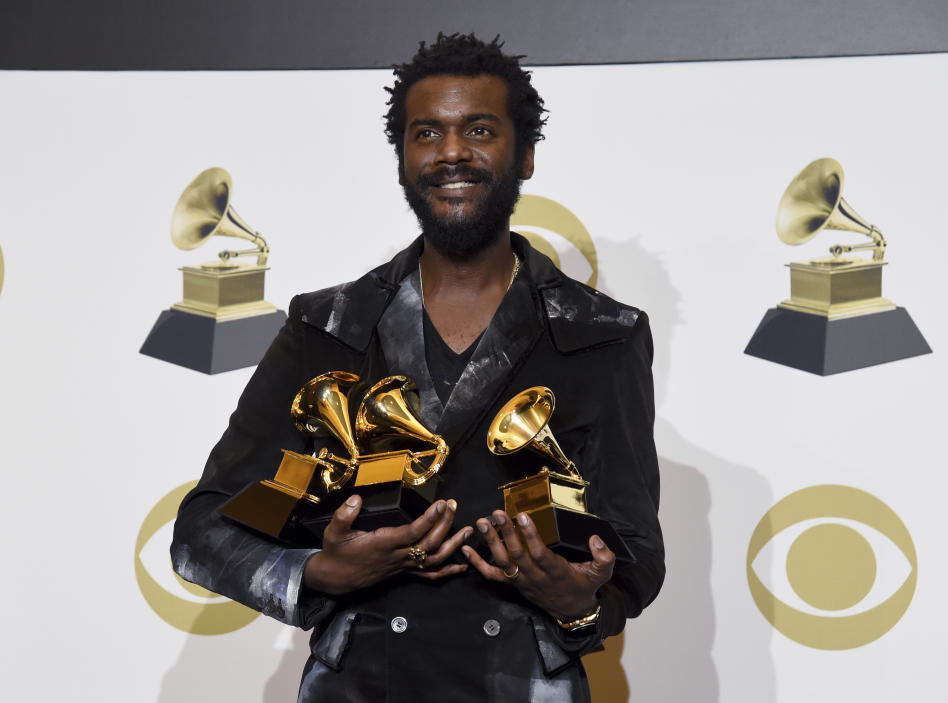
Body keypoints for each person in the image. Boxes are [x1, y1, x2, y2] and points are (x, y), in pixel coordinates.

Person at [171, 33, 664, 702]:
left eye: (479, 129)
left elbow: (637, 552)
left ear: (525, 155)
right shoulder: (328, 327)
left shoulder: (603, 335)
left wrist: (577, 600)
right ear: (404, 158)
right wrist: (320, 570)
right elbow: (203, 532)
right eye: (426, 132)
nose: (451, 151)